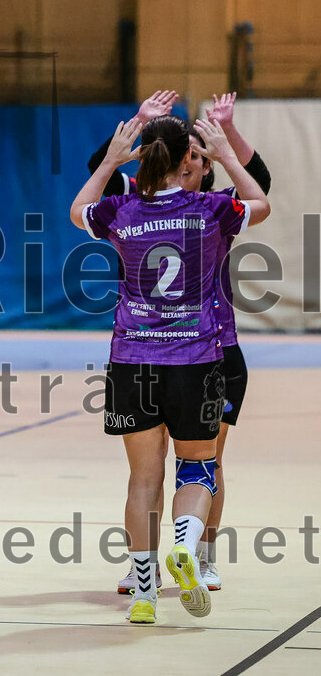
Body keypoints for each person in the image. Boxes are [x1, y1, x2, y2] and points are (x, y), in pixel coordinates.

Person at [72, 114, 270, 625]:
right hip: (195, 361)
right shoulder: (210, 208)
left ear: (143, 155)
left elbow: (77, 210)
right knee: (198, 467)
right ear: (188, 157)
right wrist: (225, 153)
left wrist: (113, 159)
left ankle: (143, 591)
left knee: (143, 478)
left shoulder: (120, 210)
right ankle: (186, 547)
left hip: (131, 362)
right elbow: (261, 201)